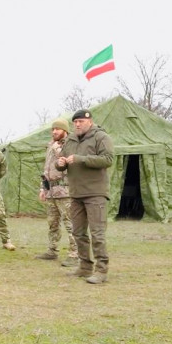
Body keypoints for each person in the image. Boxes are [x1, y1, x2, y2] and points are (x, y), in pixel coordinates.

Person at [56, 109, 114, 284]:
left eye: (81, 121)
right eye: (75, 122)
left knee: (97, 233)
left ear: (90, 121)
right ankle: (85, 266)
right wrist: (60, 163)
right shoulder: (71, 140)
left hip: (95, 193)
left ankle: (101, 270)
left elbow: (108, 159)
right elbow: (62, 159)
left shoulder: (101, 137)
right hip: (76, 193)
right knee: (78, 233)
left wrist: (81, 159)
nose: (78, 124)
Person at [35, 118, 78, 266]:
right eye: (53, 129)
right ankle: (52, 250)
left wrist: (56, 148)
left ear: (65, 130)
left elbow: (67, 162)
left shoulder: (71, 144)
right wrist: (43, 188)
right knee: (52, 223)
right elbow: (46, 168)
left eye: (57, 129)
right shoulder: (50, 145)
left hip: (65, 191)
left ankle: (75, 253)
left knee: (70, 223)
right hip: (51, 190)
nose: (54, 132)